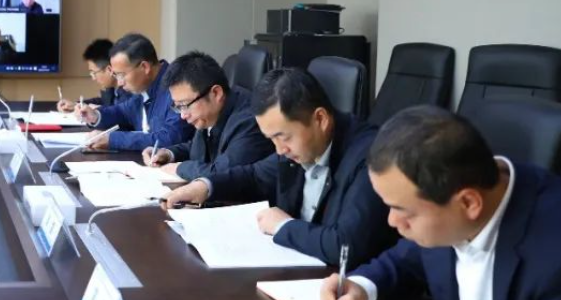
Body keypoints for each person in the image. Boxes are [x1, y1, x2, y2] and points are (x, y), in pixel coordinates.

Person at [321, 106, 561, 300]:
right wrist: (361, 285)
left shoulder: (552, 246)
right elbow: (406, 258)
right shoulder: (447, 203)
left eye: (403, 210)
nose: (392, 222)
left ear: (469, 203)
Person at [161, 67, 396, 266]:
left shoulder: (370, 156)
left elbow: (345, 245)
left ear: (320, 119)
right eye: (271, 139)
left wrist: (284, 226)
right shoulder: (295, 147)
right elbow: (255, 176)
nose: (279, 150)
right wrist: (205, 186)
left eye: (283, 137)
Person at [142, 51, 271, 180]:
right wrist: (168, 154)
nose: (183, 115)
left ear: (216, 93)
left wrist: (179, 168)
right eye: (178, 107)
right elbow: (198, 147)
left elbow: (223, 174)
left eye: (185, 105)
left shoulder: (250, 121)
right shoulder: (210, 114)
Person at [75, 33, 193, 152]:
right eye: (116, 75)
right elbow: (123, 112)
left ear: (144, 67)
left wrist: (113, 139)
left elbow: (171, 138)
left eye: (122, 75)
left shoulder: (177, 87)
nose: (120, 83)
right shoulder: (144, 87)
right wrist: (95, 116)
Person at [56, 38, 129, 112]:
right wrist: (76, 105)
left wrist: (96, 111)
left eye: (94, 73)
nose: (93, 78)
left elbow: (119, 113)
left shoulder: (128, 92)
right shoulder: (112, 90)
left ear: (109, 70)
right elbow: (103, 102)